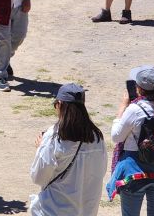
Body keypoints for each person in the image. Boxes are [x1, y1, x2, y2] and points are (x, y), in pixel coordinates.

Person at [107, 65, 154, 216]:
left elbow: (116, 137)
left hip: (135, 170)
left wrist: (122, 110)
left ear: (138, 88)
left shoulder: (135, 109)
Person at [29, 83, 107, 216]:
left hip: (54, 210)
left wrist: (40, 149)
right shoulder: (97, 137)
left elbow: (38, 177)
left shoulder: (54, 136)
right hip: (87, 211)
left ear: (59, 104)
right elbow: (101, 171)